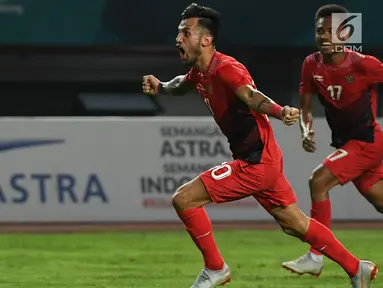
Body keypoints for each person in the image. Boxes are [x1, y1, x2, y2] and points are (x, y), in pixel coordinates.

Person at [142, 3, 378, 288]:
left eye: (185, 33)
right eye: (179, 33)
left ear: (206, 39)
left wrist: (280, 111)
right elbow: (181, 83)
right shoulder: (199, 72)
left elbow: (252, 96)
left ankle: (215, 268)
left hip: (256, 162)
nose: (178, 38)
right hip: (263, 158)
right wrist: (161, 86)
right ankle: (357, 268)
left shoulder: (226, 69)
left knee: (183, 199)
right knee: (295, 223)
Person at [282, 4, 382, 282]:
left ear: (346, 34)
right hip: (348, 143)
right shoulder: (311, 64)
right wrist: (306, 130)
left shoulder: (364, 64)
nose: (324, 36)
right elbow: (305, 107)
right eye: (319, 31)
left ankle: (316, 256)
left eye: (332, 31)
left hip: (367, 141)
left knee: (318, 181)